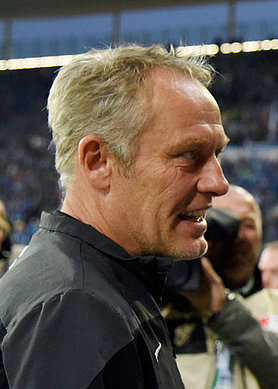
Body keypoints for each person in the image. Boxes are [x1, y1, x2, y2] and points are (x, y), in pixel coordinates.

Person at [0, 44, 230, 388]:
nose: (219, 183)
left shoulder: (99, 280)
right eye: (189, 155)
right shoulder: (74, 308)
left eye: (217, 153)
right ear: (98, 162)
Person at [163, 185, 278, 389]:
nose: (236, 235)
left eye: (248, 225)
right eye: (223, 223)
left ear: (261, 234)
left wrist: (223, 309)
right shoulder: (166, 301)